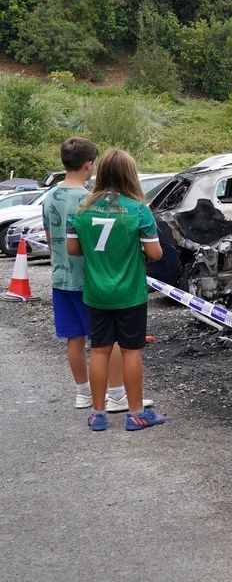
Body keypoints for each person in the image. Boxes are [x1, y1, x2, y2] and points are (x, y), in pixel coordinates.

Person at [43, 137, 152, 413]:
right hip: (92, 280)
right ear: (89, 165)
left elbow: (49, 237)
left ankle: (83, 393)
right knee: (108, 342)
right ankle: (116, 394)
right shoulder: (89, 200)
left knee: (74, 338)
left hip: (60, 276)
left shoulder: (49, 196)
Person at [67, 148, 165, 431]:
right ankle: (136, 414)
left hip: (96, 293)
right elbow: (156, 253)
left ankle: (98, 414)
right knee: (131, 351)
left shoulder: (83, 209)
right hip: (129, 293)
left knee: (99, 350)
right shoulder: (138, 210)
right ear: (130, 175)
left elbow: (73, 249)